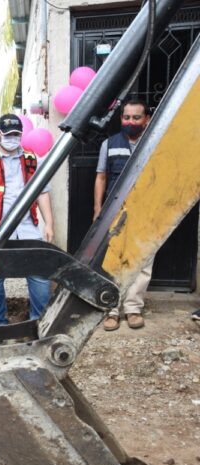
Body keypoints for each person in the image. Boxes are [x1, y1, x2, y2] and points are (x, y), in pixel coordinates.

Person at [0, 114, 54, 325]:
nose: (12, 138)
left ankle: (38, 321)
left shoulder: (32, 158)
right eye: (8, 134)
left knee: (40, 272)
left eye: (16, 134)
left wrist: (49, 223)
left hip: (27, 227)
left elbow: (42, 193)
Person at [94, 99, 153, 331]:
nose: (130, 122)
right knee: (113, 259)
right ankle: (111, 309)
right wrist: (98, 209)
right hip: (115, 211)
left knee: (143, 259)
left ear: (146, 119)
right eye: (126, 117)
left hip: (146, 210)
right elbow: (101, 177)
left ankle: (133, 308)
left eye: (136, 118)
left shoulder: (154, 142)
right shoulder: (109, 144)